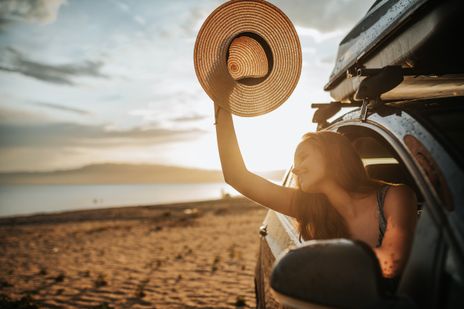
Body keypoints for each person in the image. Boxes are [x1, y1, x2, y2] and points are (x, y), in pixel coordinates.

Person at [213, 102, 418, 281]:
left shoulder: (395, 196)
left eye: (303, 157)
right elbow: (237, 177)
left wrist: (317, 260)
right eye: (294, 163)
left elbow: (391, 263)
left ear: (333, 155)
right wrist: (221, 100)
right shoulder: (309, 208)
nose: (295, 169)